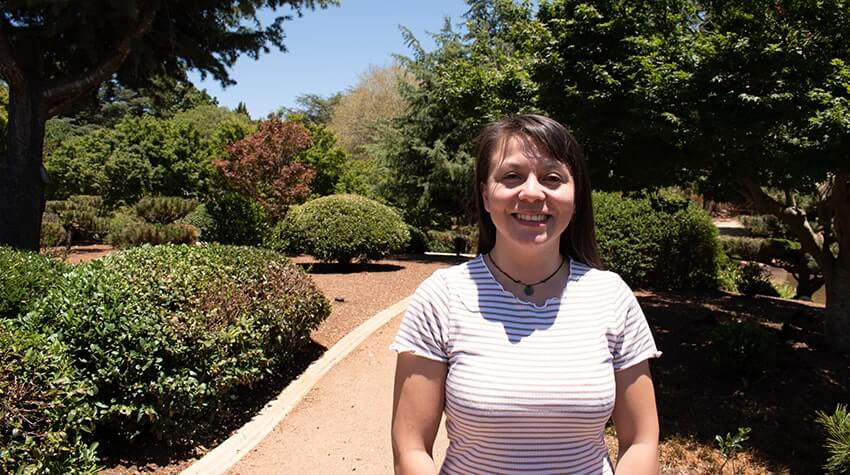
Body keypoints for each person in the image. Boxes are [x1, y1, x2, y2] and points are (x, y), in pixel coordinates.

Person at [390, 114, 661, 474]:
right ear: (486, 195)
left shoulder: (611, 297)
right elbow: (411, 448)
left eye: (552, 178)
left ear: (575, 196)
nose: (532, 192)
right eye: (512, 176)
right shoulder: (441, 298)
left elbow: (641, 440)